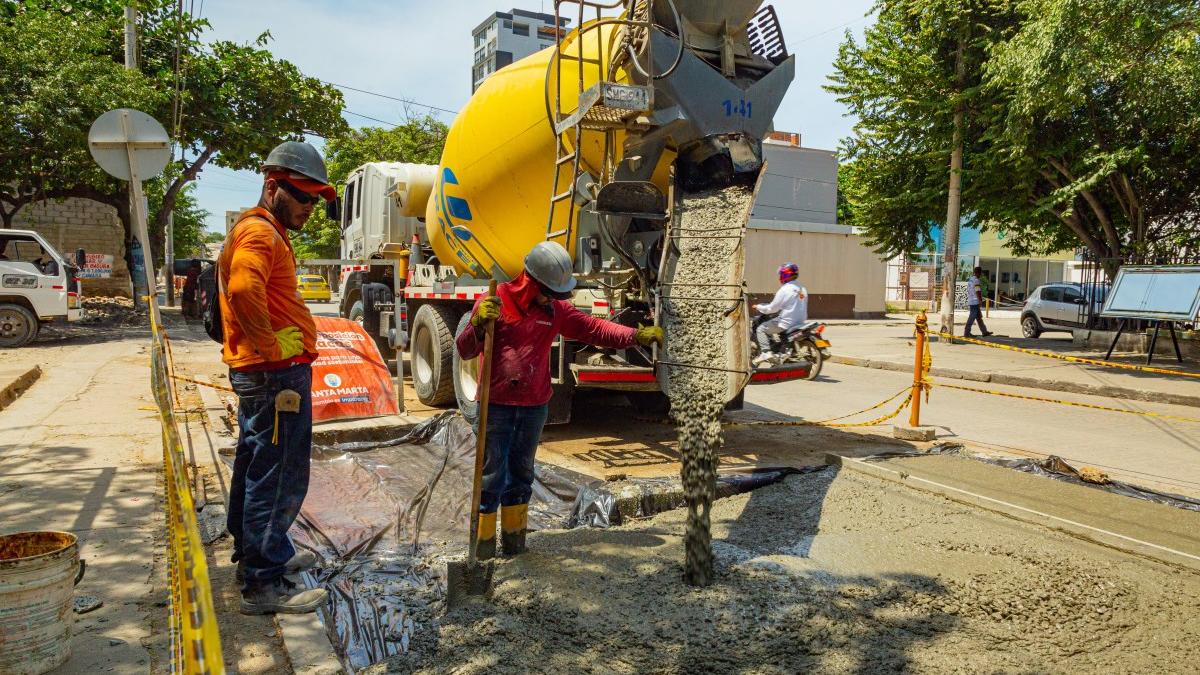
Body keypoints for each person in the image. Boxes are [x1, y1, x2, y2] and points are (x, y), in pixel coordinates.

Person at [455, 241, 662, 559]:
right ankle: (481, 551)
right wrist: (477, 323)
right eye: (549, 290)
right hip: (495, 406)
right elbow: (465, 349)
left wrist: (635, 336)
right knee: (492, 474)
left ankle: (514, 545)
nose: (554, 297)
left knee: (521, 474)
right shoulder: (495, 301)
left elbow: (594, 328)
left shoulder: (555, 311)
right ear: (530, 280)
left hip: (534, 407)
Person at [219, 141, 337, 615]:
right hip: (274, 377)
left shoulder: (261, 230)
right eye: (303, 197)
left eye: (314, 200)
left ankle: (259, 553)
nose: (310, 208)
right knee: (279, 473)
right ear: (273, 187)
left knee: (253, 464)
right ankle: (263, 581)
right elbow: (244, 289)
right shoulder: (262, 234)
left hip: (266, 375)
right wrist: (270, 347)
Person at [752, 262, 808, 366]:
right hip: (800, 322)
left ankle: (765, 352)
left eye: (781, 274)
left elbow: (772, 308)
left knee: (761, 329)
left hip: (787, 321)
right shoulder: (802, 288)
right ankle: (781, 353)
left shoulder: (784, 289)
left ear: (785, 275)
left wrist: (759, 307)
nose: (780, 277)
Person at [965, 266, 993, 337]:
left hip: (971, 300)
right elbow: (978, 291)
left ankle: (984, 331)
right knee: (971, 318)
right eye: (980, 273)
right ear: (979, 273)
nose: (981, 275)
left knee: (979, 317)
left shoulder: (971, 279)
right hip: (975, 301)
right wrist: (980, 300)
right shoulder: (976, 280)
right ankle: (966, 333)